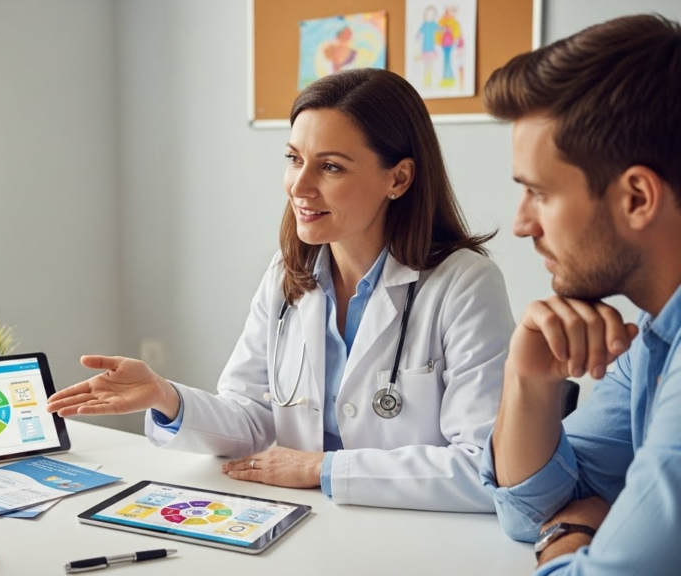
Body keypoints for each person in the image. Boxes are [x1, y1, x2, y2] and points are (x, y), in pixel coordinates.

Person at [48, 68, 515, 512]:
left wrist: (321, 469)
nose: (300, 186)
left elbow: (484, 465)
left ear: (398, 178)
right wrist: (164, 396)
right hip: (305, 518)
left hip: (414, 534)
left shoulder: (464, 285)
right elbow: (251, 419)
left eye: (330, 167)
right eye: (294, 159)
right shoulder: (289, 273)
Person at [478, 14, 681, 575]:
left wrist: (568, 541)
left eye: (538, 194)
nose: (521, 225)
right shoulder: (655, 336)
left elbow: (560, 534)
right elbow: (531, 510)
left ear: (638, 197)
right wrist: (529, 376)